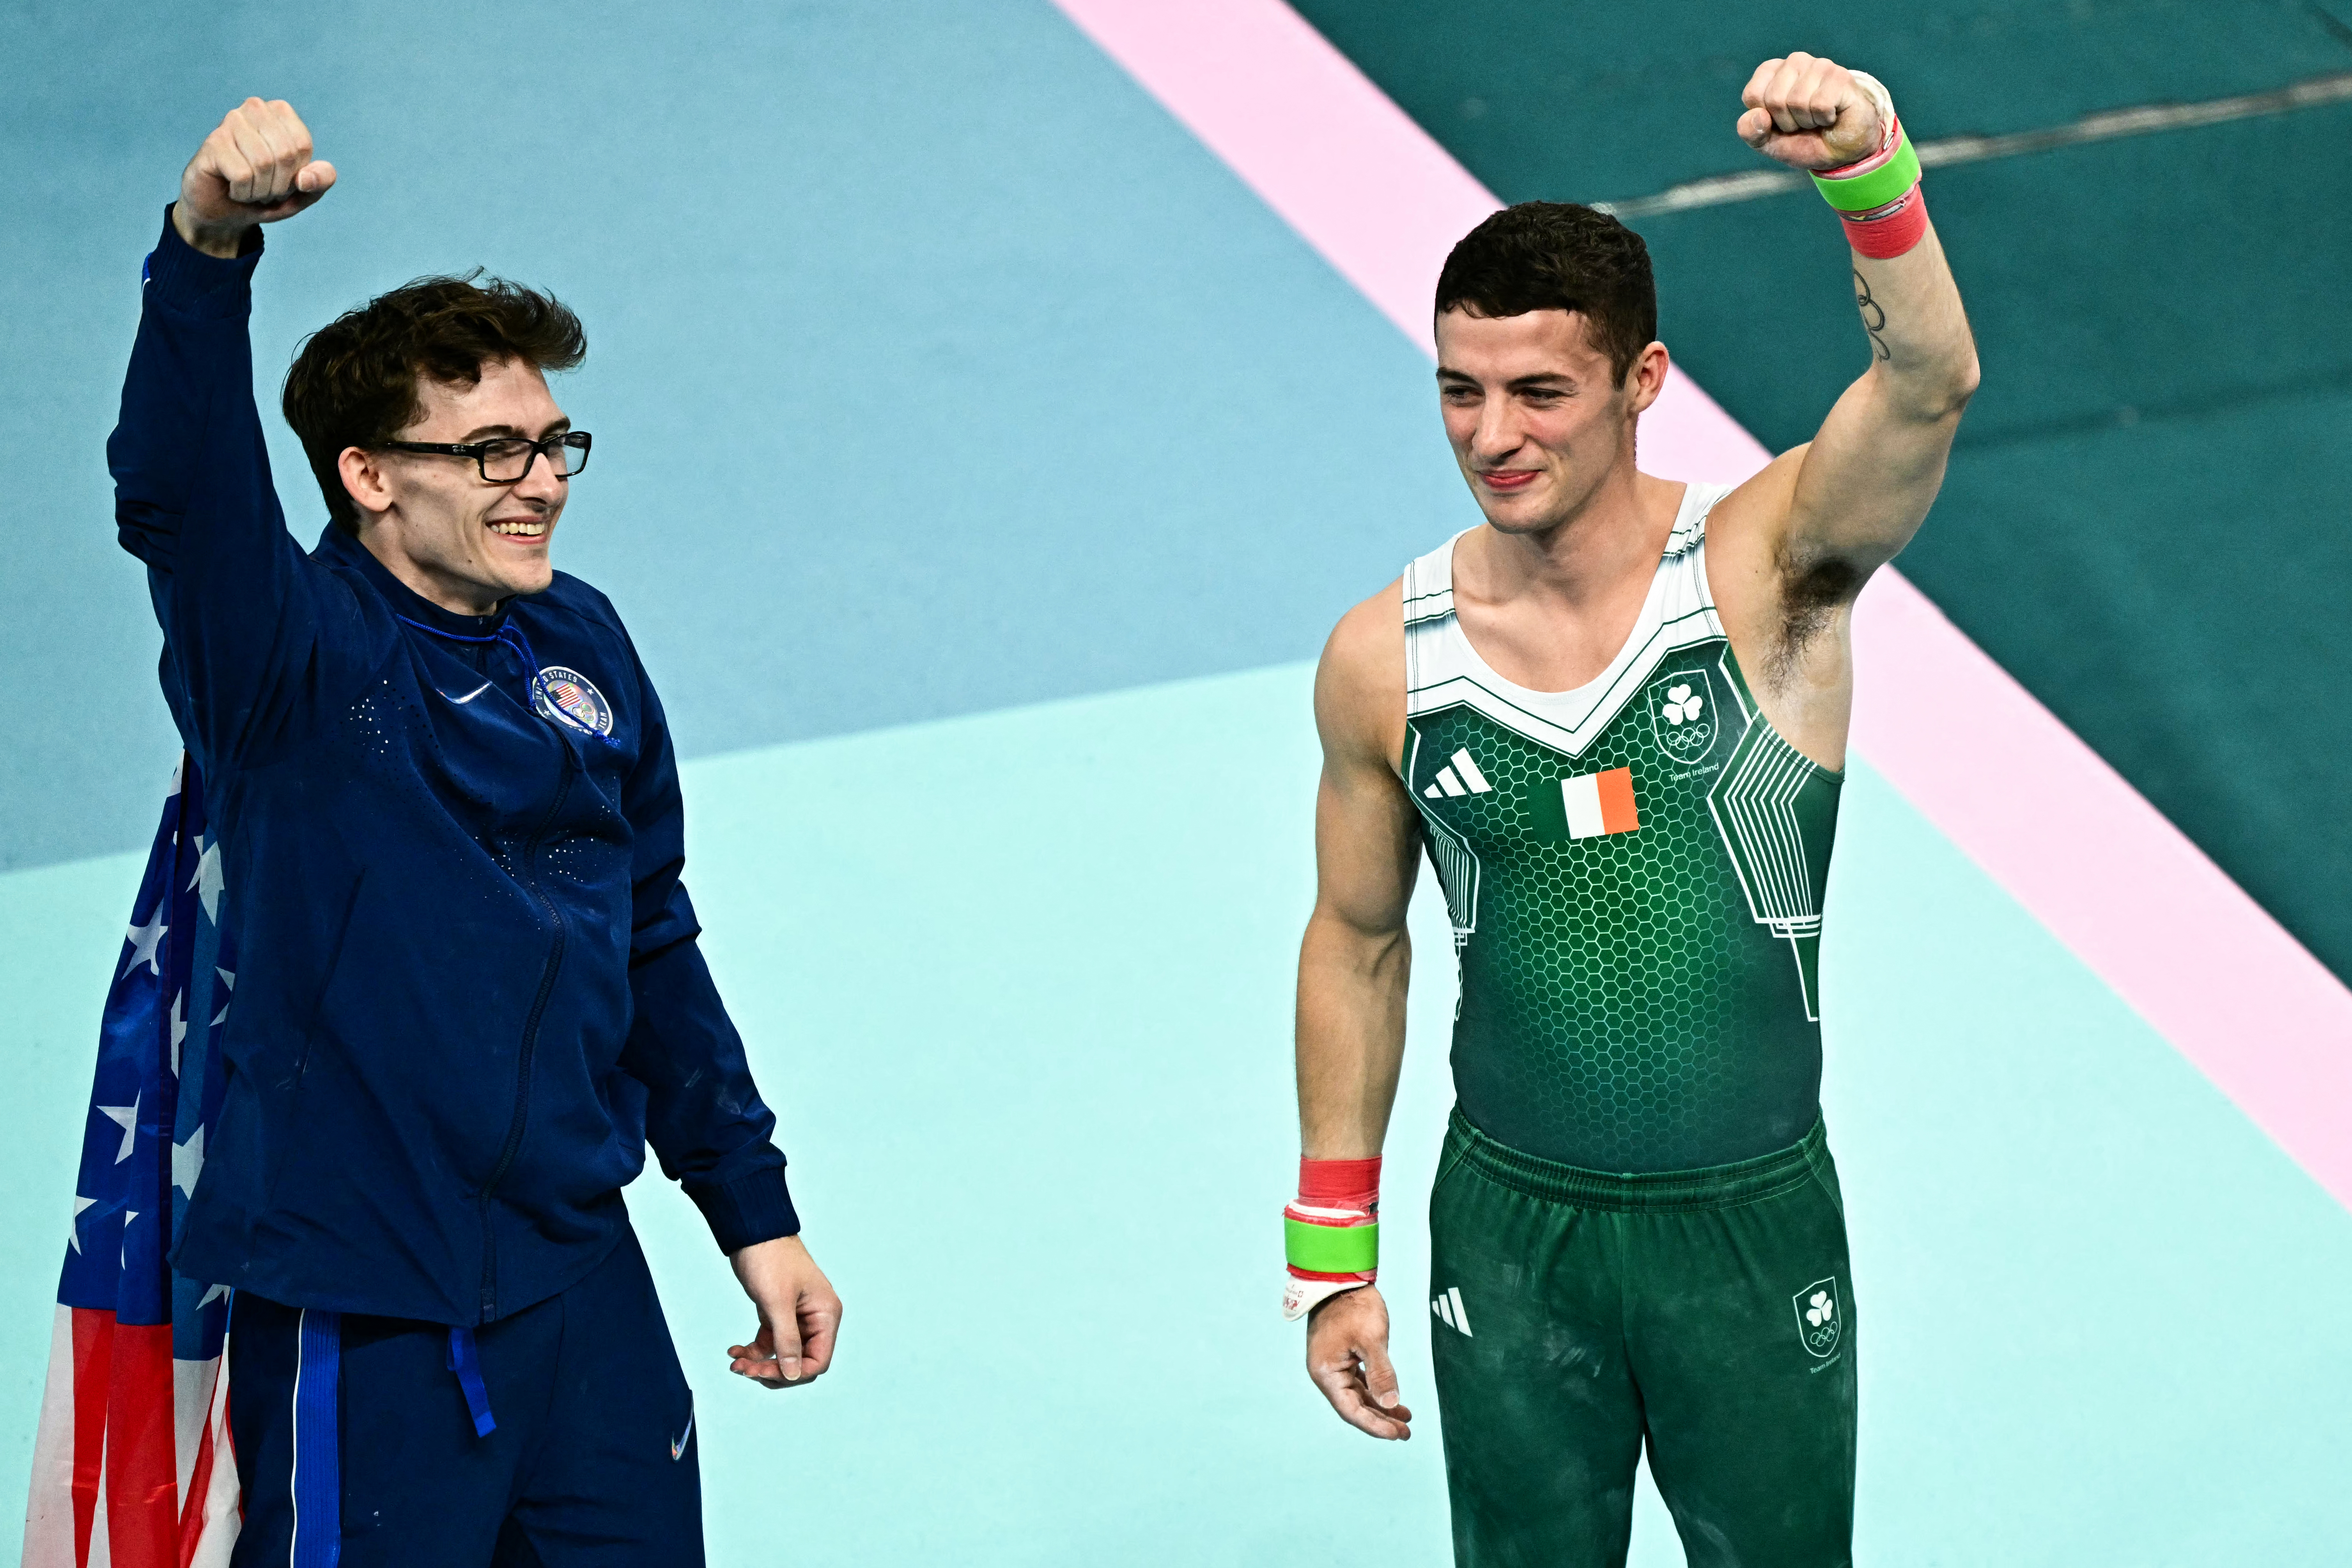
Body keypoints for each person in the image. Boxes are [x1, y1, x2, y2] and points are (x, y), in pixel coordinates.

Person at [110, 98, 841, 1565]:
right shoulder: (290, 664)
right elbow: (184, 494)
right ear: (370, 476)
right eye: (492, 451)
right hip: (366, 1305)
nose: (544, 479)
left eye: (553, 440)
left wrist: (751, 1208)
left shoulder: (578, 640)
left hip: (578, 1282)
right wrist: (208, 245)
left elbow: (650, 936)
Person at [1282, 54, 1977, 1565]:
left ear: (1642, 381)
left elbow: (1928, 385)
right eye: (1460, 390)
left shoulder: (1764, 574)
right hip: (1509, 1230)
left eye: (1540, 390)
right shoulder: (1379, 662)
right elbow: (1355, 943)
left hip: (1743, 1223)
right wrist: (1331, 1250)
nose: (1491, 433)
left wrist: (1871, 174)